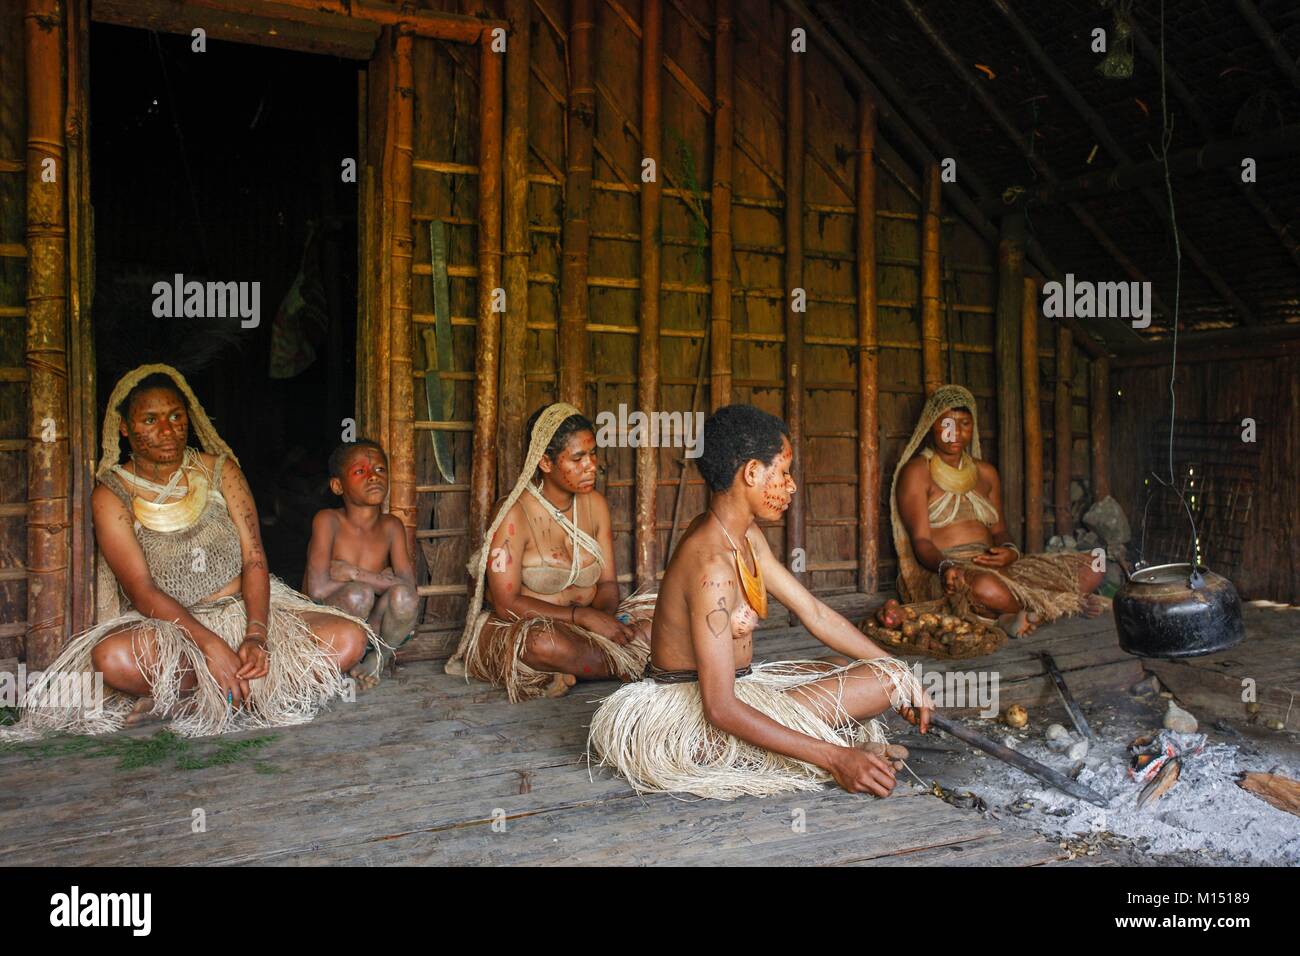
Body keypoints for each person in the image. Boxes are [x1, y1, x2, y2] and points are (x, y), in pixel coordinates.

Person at [4, 364, 377, 739]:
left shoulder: (220, 471)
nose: (167, 430)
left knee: (350, 639)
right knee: (112, 658)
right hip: (172, 630)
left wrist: (256, 637)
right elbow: (140, 588)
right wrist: (211, 646)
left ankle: (194, 699)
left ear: (190, 417)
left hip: (246, 611)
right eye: (150, 419)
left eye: (175, 416)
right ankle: (250, 692)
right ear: (124, 427)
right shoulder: (112, 494)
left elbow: (255, 559)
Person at [588, 404, 931, 800]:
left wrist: (900, 669)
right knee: (880, 683)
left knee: (851, 668)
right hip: (698, 724)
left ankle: (802, 741)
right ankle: (812, 749)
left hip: (735, 691)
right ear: (751, 472)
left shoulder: (742, 534)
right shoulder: (711, 565)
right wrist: (836, 759)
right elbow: (720, 708)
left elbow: (813, 612)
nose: (791, 486)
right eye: (783, 472)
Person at [445, 403, 654, 702]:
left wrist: (603, 621)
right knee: (541, 644)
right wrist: (581, 618)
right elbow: (506, 604)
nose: (591, 465)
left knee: (662, 622)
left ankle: (583, 667)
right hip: (527, 628)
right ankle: (632, 665)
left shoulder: (595, 506)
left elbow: (607, 584)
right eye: (578, 458)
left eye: (592, 453)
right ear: (545, 462)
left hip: (587, 626)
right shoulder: (513, 513)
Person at [881, 384, 1104, 637]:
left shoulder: (985, 473)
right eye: (947, 424)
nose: (955, 432)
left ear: (973, 426)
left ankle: (1017, 614)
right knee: (984, 588)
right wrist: (947, 567)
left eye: (964, 423)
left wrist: (1010, 551)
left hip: (1001, 570)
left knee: (1095, 563)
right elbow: (921, 541)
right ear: (931, 425)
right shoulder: (917, 472)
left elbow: (1000, 531)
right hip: (950, 571)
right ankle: (1064, 605)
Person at [304, 439, 419, 686]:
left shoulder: (392, 526)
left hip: (375, 628)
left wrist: (354, 573)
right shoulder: (328, 520)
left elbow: (409, 589)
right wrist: (382, 581)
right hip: (330, 624)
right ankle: (348, 659)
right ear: (337, 486)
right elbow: (316, 590)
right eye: (360, 471)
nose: (373, 477)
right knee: (360, 595)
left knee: (403, 597)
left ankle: (379, 658)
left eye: (379, 469)